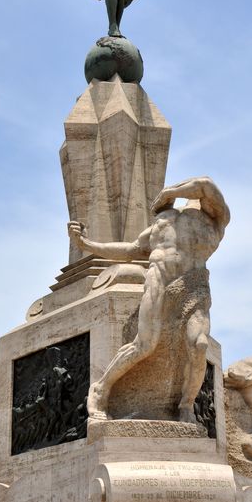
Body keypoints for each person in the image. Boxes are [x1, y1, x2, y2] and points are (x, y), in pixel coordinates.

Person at [68, 176, 230, 422]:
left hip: (193, 285)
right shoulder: (163, 221)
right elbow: (131, 250)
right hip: (158, 281)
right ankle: (100, 390)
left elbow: (205, 184)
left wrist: (167, 192)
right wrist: (87, 244)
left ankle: (186, 405)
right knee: (144, 344)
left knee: (199, 345)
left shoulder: (216, 221)